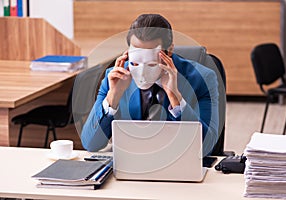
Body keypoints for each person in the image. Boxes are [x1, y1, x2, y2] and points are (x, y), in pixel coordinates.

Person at [81, 14, 219, 154]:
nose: (141, 73)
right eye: (135, 62)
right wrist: (113, 97)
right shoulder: (116, 77)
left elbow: (207, 147)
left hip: (178, 160)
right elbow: (90, 144)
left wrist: (176, 98)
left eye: (152, 63)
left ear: (169, 51)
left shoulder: (203, 78)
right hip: (131, 162)